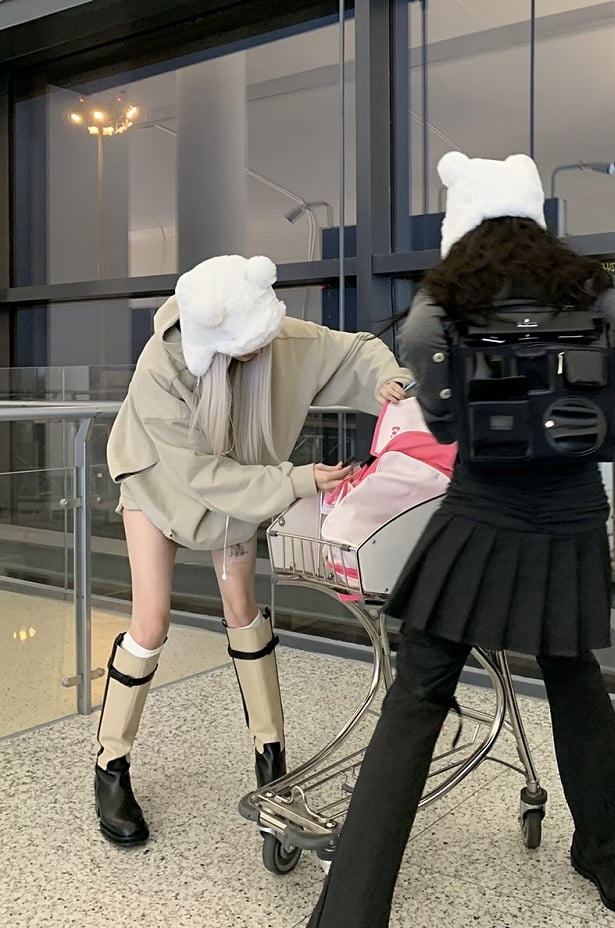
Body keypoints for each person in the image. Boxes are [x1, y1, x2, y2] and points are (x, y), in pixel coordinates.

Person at [281, 151, 615, 928]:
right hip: (570, 515)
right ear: (535, 218)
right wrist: (601, 420)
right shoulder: (587, 287)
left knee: (416, 701)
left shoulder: (449, 293)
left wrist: (457, 414)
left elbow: (420, 345)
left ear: (463, 225)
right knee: (574, 679)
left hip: (481, 512)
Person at [96, 253, 411, 847]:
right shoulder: (162, 365)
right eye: (247, 347)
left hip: (239, 482)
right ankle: (110, 764)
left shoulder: (274, 333)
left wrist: (386, 379)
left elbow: (354, 350)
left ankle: (271, 758)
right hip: (157, 481)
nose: (260, 351)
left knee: (243, 611)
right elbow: (200, 476)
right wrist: (297, 480)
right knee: (151, 622)